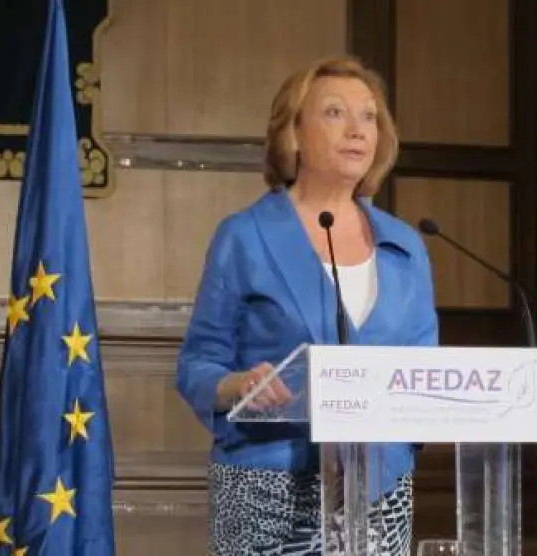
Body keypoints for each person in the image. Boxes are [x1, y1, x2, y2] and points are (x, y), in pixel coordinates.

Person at [175, 55, 439, 556]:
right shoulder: (245, 236)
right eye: (335, 112)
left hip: (380, 490)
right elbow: (197, 364)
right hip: (268, 488)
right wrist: (239, 385)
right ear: (292, 133)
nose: (358, 129)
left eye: (369, 117)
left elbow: (425, 373)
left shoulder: (405, 247)